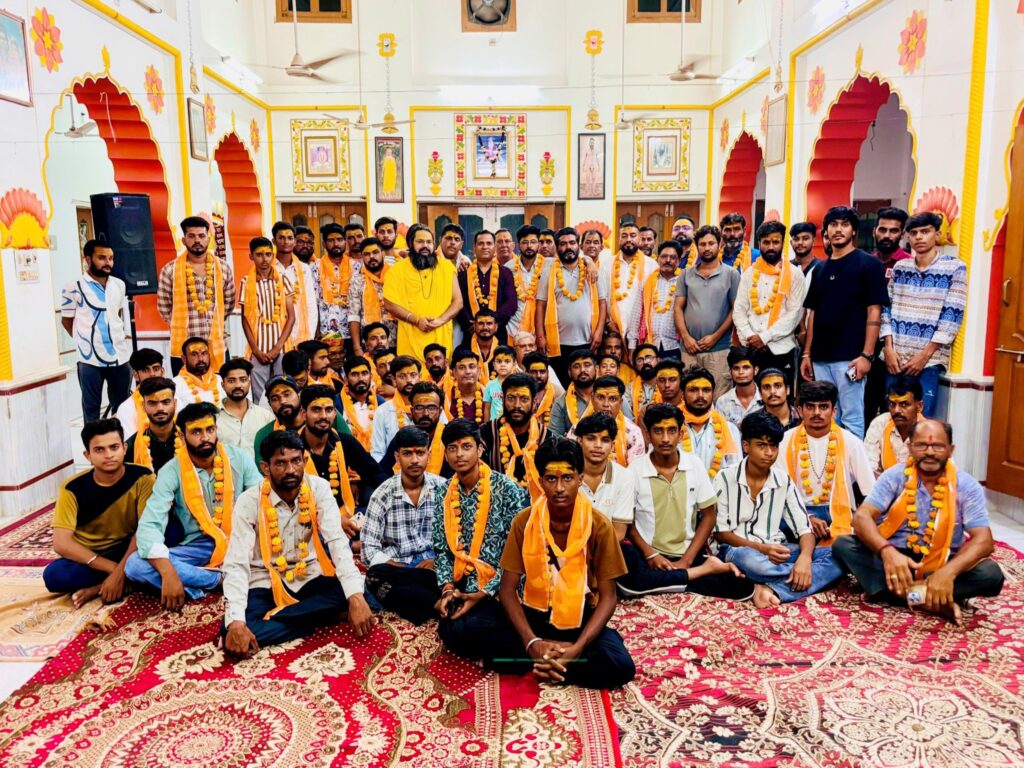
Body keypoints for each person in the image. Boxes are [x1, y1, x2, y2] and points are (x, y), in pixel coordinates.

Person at [480, 437, 636, 689]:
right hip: (534, 614)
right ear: (541, 481)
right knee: (468, 631)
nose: (559, 488)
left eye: (568, 478)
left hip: (579, 617)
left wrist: (578, 647)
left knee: (621, 666)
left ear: (580, 478)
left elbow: (608, 597)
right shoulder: (524, 522)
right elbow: (507, 589)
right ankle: (553, 659)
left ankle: (548, 663)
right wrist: (531, 642)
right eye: (551, 478)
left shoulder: (599, 526)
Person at [833, 420, 1004, 625]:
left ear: (950, 450)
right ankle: (930, 600)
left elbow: (984, 540)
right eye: (922, 445)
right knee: (843, 545)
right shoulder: (895, 476)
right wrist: (887, 552)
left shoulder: (966, 485)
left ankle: (901, 594)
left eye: (937, 446)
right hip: (896, 562)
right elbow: (861, 518)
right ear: (910, 447)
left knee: (991, 574)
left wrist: (947, 573)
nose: (929, 452)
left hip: (942, 561)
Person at [222, 430, 372, 654]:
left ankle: (288, 619)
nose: (291, 470)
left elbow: (337, 542)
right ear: (265, 468)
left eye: (296, 461)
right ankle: (317, 618)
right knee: (231, 629)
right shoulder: (248, 501)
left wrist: (355, 598)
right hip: (265, 580)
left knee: (361, 592)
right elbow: (236, 563)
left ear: (305, 460)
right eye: (281, 463)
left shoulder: (318, 488)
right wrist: (235, 622)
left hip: (308, 575)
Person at [126, 403, 263, 608]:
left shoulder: (239, 458)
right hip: (200, 545)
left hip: (242, 537)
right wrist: (167, 572)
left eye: (210, 429)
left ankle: (192, 584)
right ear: (182, 436)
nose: (205, 437)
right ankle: (219, 580)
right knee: (134, 564)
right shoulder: (171, 471)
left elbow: (261, 501)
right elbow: (150, 525)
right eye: (196, 432)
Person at [619, 404, 758, 602]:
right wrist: (651, 555)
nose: (665, 439)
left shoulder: (694, 465)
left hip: (688, 554)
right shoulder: (634, 470)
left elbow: (709, 515)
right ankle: (700, 573)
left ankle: (673, 579)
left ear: (680, 434)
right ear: (648, 435)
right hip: (649, 557)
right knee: (627, 581)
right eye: (658, 431)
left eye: (671, 431)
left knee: (742, 586)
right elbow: (629, 522)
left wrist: (686, 561)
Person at [715, 412, 844, 605]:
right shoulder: (724, 478)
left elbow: (805, 529)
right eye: (761, 445)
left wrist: (805, 559)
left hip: (777, 550)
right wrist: (762, 549)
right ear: (746, 446)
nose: (769, 453)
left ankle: (770, 589)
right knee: (750, 561)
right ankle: (799, 577)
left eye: (773, 446)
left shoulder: (783, 480)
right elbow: (721, 534)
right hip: (738, 550)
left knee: (839, 557)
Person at [433, 420, 530, 659]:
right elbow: (442, 548)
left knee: (463, 628)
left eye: (466, 446)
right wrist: (447, 589)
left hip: (503, 585)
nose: (459, 454)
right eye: (452, 448)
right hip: (462, 581)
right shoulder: (443, 492)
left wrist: (485, 592)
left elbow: (520, 552)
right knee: (450, 623)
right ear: (445, 455)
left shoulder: (507, 489)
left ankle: (519, 649)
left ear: (480, 449)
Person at [44, 419, 153, 608]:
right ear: (87, 455)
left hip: (131, 548)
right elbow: (61, 543)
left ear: (124, 448)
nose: (109, 455)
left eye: (114, 447)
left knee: (172, 530)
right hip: (93, 556)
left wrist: (118, 573)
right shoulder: (72, 488)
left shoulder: (143, 477)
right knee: (54, 576)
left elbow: (146, 529)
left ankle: (99, 588)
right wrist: (114, 570)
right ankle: (129, 580)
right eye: (99, 450)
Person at [800, 206, 888, 439]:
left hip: (851, 359)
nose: (838, 229)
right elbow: (813, 314)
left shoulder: (869, 265)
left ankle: (851, 463)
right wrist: (807, 354)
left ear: (854, 231)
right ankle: (828, 461)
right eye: (833, 225)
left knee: (852, 418)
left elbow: (875, 312)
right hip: (820, 358)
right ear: (826, 231)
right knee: (825, 417)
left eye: (844, 224)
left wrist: (867, 355)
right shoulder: (819, 269)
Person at [881, 211, 966, 418]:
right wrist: (888, 348)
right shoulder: (901, 267)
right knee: (892, 420)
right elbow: (886, 309)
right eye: (913, 233)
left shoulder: (954, 268)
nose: (918, 237)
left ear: (937, 234)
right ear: (907, 237)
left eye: (925, 232)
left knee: (921, 421)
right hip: (895, 360)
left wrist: (924, 357)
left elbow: (951, 317)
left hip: (928, 362)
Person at [362, 426, 448, 624]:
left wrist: (438, 561)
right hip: (399, 567)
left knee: (465, 571)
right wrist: (404, 569)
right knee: (374, 577)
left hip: (435, 563)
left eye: (420, 453)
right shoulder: (382, 494)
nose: (415, 460)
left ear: (429, 454)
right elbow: (368, 551)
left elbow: (460, 537)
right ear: (397, 456)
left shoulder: (444, 488)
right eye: (407, 453)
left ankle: (417, 602)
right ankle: (436, 603)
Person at [776, 381, 876, 544]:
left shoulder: (851, 442)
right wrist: (807, 518)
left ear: (834, 411)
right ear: (800, 411)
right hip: (796, 512)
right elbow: (780, 492)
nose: (817, 413)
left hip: (839, 512)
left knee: (847, 541)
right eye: (810, 407)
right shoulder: (784, 442)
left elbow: (870, 492)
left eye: (823, 407)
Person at [61, 239, 133, 422]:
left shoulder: (119, 284)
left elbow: (115, 314)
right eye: (102, 258)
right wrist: (84, 341)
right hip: (89, 359)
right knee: (91, 409)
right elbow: (66, 320)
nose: (108, 263)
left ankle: (123, 440)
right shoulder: (73, 287)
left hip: (120, 355)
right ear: (87, 259)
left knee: (123, 407)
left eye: (111, 258)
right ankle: (93, 441)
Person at [158, 217, 236, 375]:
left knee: (219, 388)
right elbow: (164, 308)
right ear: (183, 240)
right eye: (191, 236)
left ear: (209, 239)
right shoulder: (170, 270)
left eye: (201, 236)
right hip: (184, 348)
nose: (197, 240)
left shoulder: (223, 268)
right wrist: (181, 324)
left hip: (216, 347)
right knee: (185, 389)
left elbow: (228, 304)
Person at [733, 221, 807, 384]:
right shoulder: (749, 273)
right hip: (750, 349)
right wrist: (750, 336)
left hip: (781, 350)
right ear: (759, 243)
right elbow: (739, 310)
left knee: (780, 396)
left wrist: (764, 337)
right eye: (766, 242)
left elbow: (794, 314)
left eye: (775, 242)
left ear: (783, 243)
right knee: (751, 396)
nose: (771, 247)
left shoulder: (795, 274)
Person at [535, 228, 609, 387]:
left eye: (572, 243)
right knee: (560, 386)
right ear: (557, 247)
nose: (568, 247)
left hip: (588, 341)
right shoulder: (548, 270)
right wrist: (540, 336)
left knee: (585, 384)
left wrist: (599, 332)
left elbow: (602, 303)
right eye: (563, 244)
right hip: (557, 343)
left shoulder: (592, 270)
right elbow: (540, 304)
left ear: (578, 246)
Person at [298, 385, 384, 520]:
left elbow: (375, 474)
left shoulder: (345, 442)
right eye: (316, 410)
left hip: (347, 515)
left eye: (329, 410)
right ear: (303, 413)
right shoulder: (293, 449)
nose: (323, 416)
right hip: (307, 519)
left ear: (334, 413)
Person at [674, 225, 739, 399]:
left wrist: (715, 337)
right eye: (702, 244)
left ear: (719, 245)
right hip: (689, 349)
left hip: (719, 349)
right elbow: (678, 308)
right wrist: (686, 338)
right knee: (690, 397)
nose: (707, 248)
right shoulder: (686, 275)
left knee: (718, 397)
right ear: (697, 246)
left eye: (711, 243)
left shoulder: (731, 274)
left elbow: (735, 310)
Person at [383, 224, 463, 362]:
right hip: (409, 338)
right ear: (411, 244)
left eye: (429, 242)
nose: (425, 246)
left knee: (440, 372)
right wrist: (417, 320)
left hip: (440, 337)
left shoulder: (446, 267)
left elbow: (458, 301)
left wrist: (440, 320)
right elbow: (389, 303)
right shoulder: (396, 270)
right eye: (420, 242)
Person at [863, 208, 911, 421]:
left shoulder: (908, 265)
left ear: (902, 234)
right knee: (865, 403)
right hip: (866, 344)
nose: (887, 235)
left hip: (895, 348)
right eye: (883, 230)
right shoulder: (866, 263)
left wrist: (889, 346)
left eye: (893, 231)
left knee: (892, 406)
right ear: (874, 231)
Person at [239, 236, 295, 401]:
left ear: (273, 255)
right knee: (260, 395)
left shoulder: (283, 280)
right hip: (258, 349)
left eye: (268, 254)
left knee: (284, 391)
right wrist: (256, 350)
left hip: (282, 347)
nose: (264, 259)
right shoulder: (246, 282)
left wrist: (277, 348)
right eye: (259, 255)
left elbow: (291, 317)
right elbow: (245, 320)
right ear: (251, 256)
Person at [252, 375, 352, 461]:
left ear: (299, 395)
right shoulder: (264, 435)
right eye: (275, 399)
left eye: (287, 394)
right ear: (269, 404)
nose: (282, 401)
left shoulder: (327, 417)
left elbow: (351, 449)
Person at [482, 373, 548, 500]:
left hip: (537, 506)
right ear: (503, 400)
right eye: (511, 398)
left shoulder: (547, 438)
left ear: (534, 402)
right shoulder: (486, 434)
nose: (517, 405)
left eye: (524, 399)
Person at [575, 412, 636, 536]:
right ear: (579, 441)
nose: (598, 445)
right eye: (591, 438)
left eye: (605, 440)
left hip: (610, 545)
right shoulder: (568, 476)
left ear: (612, 446)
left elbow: (619, 533)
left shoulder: (625, 478)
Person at [602, 222, 657, 350]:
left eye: (633, 235)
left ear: (639, 239)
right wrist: (608, 323)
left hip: (641, 331)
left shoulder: (652, 266)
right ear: (619, 239)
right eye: (624, 235)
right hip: (612, 331)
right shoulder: (607, 265)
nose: (628, 239)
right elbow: (602, 298)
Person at [378, 381, 450, 477]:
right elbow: (381, 472)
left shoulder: (450, 437)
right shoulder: (402, 437)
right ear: (411, 411)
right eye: (419, 408)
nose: (425, 413)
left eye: (431, 408)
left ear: (440, 411)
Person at [457, 230, 518, 343]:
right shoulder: (463, 273)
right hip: (470, 333)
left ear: (495, 247)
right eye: (481, 243)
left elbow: (511, 303)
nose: (485, 247)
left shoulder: (505, 273)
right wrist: (471, 324)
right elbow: (458, 302)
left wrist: (493, 322)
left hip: (498, 333)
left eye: (489, 243)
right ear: (474, 247)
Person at [680, 368, 742, 477]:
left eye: (706, 390)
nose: (700, 395)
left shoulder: (729, 429)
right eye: (693, 390)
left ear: (713, 393)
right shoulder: (671, 428)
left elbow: (735, 469)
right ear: (682, 394)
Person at [570, 376, 644, 465]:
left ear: (620, 403)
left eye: (612, 399)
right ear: (592, 399)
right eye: (601, 397)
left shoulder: (633, 432)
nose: (606, 404)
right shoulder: (578, 429)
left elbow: (635, 469)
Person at [864, 375, 924, 477]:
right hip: (881, 484)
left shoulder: (930, 433)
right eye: (892, 404)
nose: (896, 410)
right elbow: (868, 467)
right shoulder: (880, 423)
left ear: (919, 406)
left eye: (904, 404)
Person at [633, 240, 683, 360]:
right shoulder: (648, 282)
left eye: (672, 257)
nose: (668, 260)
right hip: (650, 345)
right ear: (658, 258)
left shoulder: (684, 282)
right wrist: (632, 344)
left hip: (676, 345)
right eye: (664, 256)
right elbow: (637, 313)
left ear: (678, 261)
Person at [347, 236, 395, 350]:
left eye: (375, 252)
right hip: (370, 345)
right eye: (367, 254)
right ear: (362, 257)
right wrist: (357, 347)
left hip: (395, 340)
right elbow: (354, 316)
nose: (372, 257)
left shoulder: (395, 275)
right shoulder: (357, 280)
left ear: (383, 253)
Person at [273, 221, 318, 342]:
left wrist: (309, 337)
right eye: (281, 238)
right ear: (274, 241)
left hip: (299, 333)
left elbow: (311, 305)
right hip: (274, 333)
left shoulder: (304, 269)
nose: (286, 242)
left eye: (290, 238)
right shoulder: (268, 268)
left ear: (293, 241)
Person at [370, 355, 422, 460]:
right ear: (394, 380)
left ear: (420, 377)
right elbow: (377, 453)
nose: (409, 380)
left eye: (413, 375)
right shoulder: (383, 411)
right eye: (402, 376)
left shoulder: (431, 408)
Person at [125, 377, 179, 472]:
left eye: (166, 402)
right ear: (143, 406)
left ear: (175, 404)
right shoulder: (131, 448)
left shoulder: (188, 440)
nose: (160, 408)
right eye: (152, 403)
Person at [116, 348, 167, 439]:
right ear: (136, 375)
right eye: (145, 370)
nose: (152, 374)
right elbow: (131, 443)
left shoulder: (175, 399)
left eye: (156, 369)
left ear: (162, 372)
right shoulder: (126, 408)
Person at [548, 348, 597, 437]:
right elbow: (554, 437)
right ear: (569, 372)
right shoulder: (561, 403)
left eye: (587, 365)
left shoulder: (611, 396)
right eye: (576, 366)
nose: (582, 370)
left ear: (596, 368)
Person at [508, 226, 545, 337]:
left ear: (538, 244)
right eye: (524, 242)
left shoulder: (549, 266)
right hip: (513, 329)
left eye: (533, 242)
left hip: (541, 330)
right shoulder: (508, 268)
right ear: (518, 245)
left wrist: (588, 260)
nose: (529, 246)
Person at [338, 356, 380, 452]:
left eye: (364, 373)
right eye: (355, 374)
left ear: (371, 377)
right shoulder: (336, 405)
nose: (361, 379)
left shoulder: (381, 404)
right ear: (346, 379)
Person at [715, 348, 763, 428]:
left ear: (756, 370)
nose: (741, 372)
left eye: (746, 367)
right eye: (736, 368)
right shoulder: (722, 402)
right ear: (730, 372)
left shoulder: (765, 398)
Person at [172, 337, 223, 410]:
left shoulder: (220, 380)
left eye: (204, 353)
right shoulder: (176, 384)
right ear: (184, 359)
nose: (201, 359)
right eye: (194, 354)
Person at [446, 348, 489, 424]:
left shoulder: (488, 396)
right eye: (462, 367)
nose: (468, 372)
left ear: (479, 371)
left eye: (471, 367)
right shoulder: (446, 398)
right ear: (454, 372)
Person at [461, 309, 501, 383]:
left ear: (496, 327)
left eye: (489, 323)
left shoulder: (504, 351)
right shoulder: (462, 351)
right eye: (481, 323)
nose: (485, 327)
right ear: (474, 326)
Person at [482, 345, 517, 420]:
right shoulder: (490, 385)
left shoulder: (518, 384)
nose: (503, 365)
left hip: (513, 423)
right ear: (494, 365)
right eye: (499, 361)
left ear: (514, 364)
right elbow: (487, 408)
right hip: (494, 424)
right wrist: (487, 425)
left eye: (507, 361)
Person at [524, 351, 558, 427]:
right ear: (526, 372)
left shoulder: (557, 393)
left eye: (542, 372)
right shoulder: (518, 392)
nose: (538, 375)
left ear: (548, 372)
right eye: (533, 372)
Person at [627, 344, 660, 419]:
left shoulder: (667, 384)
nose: (645, 362)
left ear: (658, 360)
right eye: (640, 360)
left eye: (649, 358)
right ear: (635, 365)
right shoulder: (629, 389)